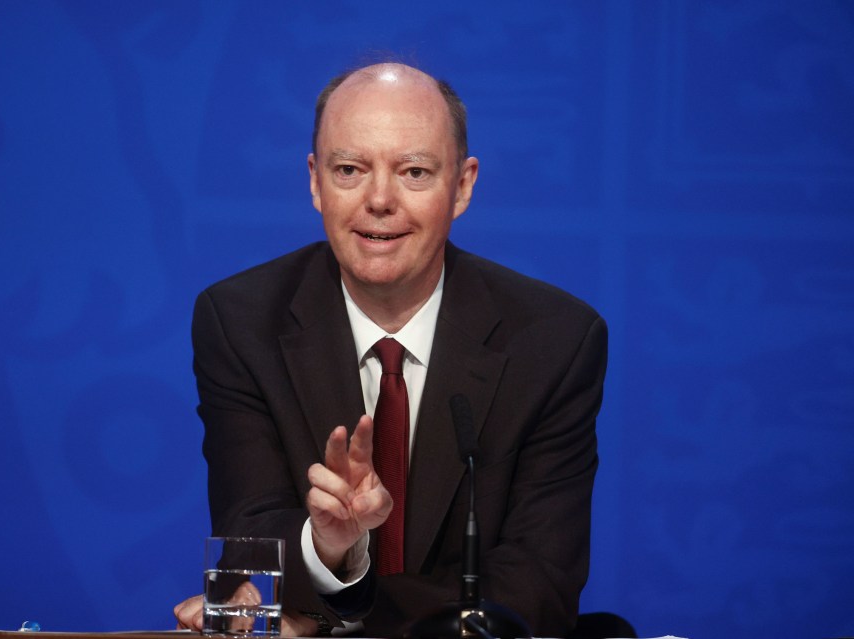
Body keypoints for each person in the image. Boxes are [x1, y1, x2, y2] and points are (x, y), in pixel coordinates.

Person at [174, 62, 607, 637]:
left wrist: (327, 618)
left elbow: (537, 586)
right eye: (350, 169)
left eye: (414, 172)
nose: (379, 200)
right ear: (314, 181)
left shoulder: (555, 341)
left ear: (463, 186)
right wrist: (328, 547)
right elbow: (250, 546)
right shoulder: (241, 322)